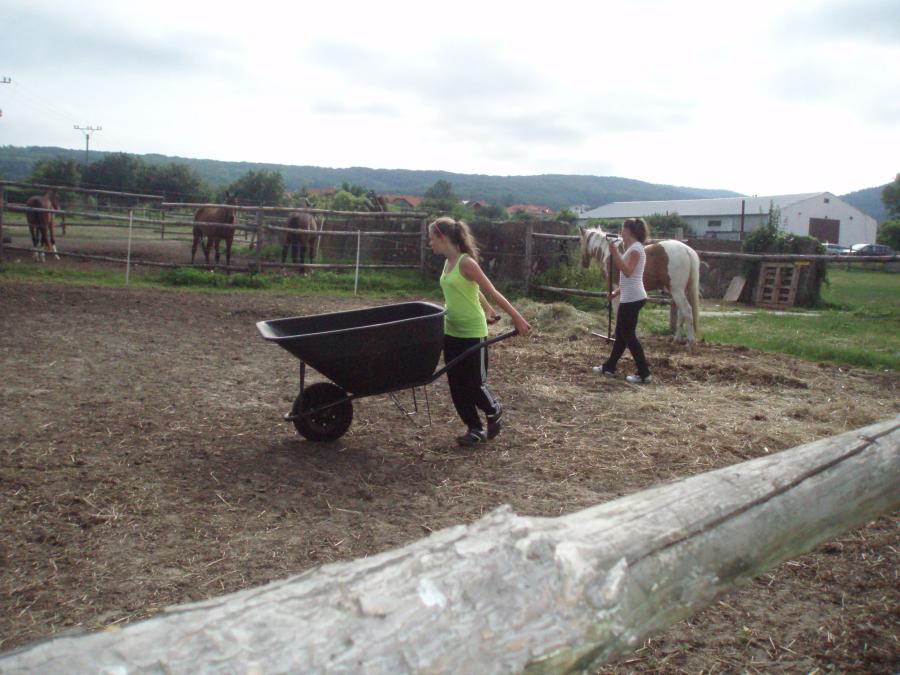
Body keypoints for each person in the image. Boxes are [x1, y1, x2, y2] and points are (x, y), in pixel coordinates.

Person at [429, 217, 532, 446]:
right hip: (451, 330)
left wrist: (517, 318)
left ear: (443, 237)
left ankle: (493, 409)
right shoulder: (448, 263)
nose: (430, 243)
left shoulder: (466, 262)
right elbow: (470, 289)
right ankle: (474, 428)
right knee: (456, 384)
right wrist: (487, 308)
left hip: (472, 332)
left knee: (473, 383)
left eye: (432, 238)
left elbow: (492, 291)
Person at [593, 217, 652, 384]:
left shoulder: (636, 249)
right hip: (629, 296)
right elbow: (630, 278)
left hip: (633, 298)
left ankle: (644, 373)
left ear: (629, 231)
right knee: (621, 335)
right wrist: (616, 292)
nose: (621, 232)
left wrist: (615, 253)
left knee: (629, 336)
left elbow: (628, 271)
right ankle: (609, 367)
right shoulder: (633, 248)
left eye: (623, 229)